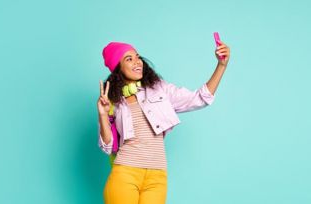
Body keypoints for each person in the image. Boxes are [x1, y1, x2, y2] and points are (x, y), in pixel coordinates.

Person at [97, 41, 230, 204]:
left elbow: (200, 98)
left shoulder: (159, 89)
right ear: (118, 67)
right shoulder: (112, 101)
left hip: (157, 177)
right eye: (129, 59)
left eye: (138, 57)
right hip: (125, 173)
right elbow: (108, 147)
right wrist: (103, 115)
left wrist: (221, 65)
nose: (138, 62)